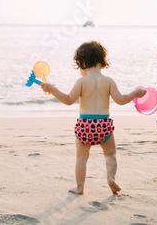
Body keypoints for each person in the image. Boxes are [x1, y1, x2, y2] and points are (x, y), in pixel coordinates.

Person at [40, 41, 146, 195]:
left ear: (83, 63)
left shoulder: (81, 81)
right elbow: (121, 100)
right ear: (102, 63)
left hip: (85, 126)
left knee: (81, 158)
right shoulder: (109, 81)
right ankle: (111, 178)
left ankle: (80, 187)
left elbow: (69, 100)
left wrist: (52, 89)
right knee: (110, 154)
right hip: (104, 125)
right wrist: (135, 93)